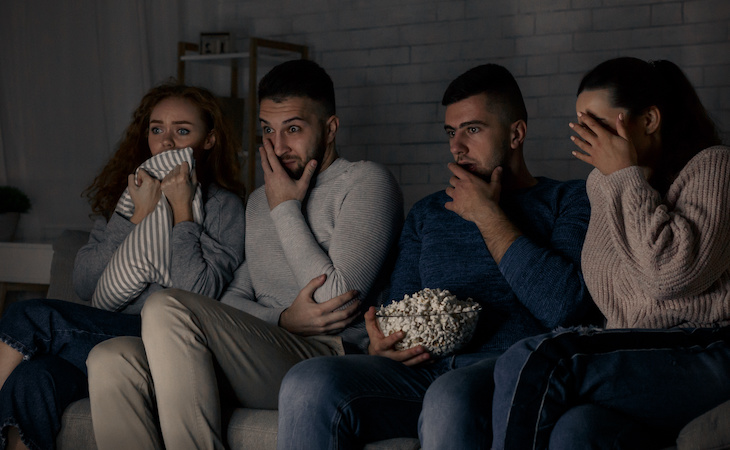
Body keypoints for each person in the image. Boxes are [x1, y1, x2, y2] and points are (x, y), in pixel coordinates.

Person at [86, 59, 404, 449]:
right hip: (264, 345)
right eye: (268, 130)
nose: (278, 145)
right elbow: (233, 298)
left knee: (166, 306)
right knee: (111, 359)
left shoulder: (366, 182)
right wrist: (284, 319)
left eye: (293, 129)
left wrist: (285, 207)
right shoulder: (259, 201)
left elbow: (332, 298)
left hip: (331, 356)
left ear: (331, 128)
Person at [276, 63, 597, 450]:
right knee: (306, 382)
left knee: (449, 396)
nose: (456, 146)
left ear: (516, 134)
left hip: (512, 370)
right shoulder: (429, 213)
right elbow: (400, 306)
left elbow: (563, 306)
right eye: (451, 132)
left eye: (472, 130)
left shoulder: (569, 200)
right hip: (424, 372)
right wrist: (384, 342)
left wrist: (488, 216)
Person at [490, 57, 730, 450]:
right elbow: (614, 294)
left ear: (649, 120)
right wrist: (615, 182)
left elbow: (670, 275)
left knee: (536, 359)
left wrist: (624, 177)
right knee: (578, 431)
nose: (588, 138)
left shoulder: (714, 167)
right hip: (640, 350)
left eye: (597, 124)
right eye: (581, 125)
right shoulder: (604, 186)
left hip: (709, 347)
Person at [0, 82, 246, 450]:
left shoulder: (224, 207)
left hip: (165, 343)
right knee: (31, 378)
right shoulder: (131, 198)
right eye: (156, 129)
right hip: (102, 342)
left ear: (208, 141)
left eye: (182, 131)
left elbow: (197, 294)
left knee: (27, 316)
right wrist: (134, 218)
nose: (166, 142)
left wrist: (182, 212)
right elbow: (84, 283)